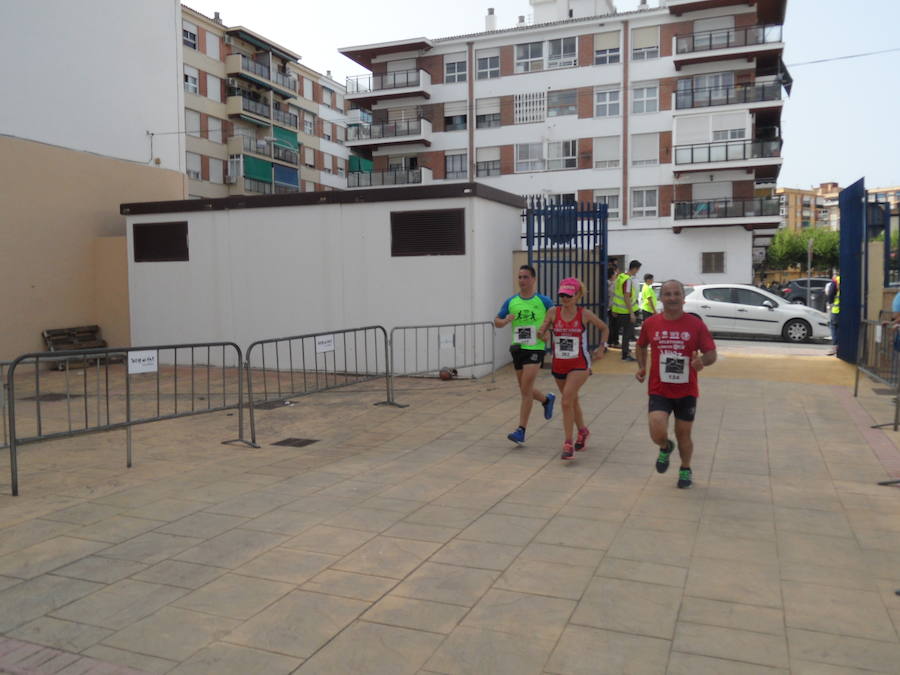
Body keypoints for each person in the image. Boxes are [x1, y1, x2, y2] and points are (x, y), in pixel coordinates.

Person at [635, 279, 717, 488]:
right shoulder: (651, 323)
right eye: (667, 294)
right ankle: (664, 447)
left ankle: (685, 468)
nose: (672, 298)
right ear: (661, 298)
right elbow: (641, 345)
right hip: (659, 388)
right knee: (657, 428)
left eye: (676, 294)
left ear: (683, 297)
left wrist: (702, 361)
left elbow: (711, 354)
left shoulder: (695, 324)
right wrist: (641, 367)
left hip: (686, 390)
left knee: (683, 434)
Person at [538, 278, 609, 460]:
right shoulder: (554, 312)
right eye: (562, 295)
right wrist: (543, 334)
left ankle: (568, 443)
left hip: (579, 364)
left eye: (569, 295)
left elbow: (604, 328)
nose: (565, 298)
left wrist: (601, 347)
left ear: (578, 295)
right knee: (572, 401)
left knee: (566, 401)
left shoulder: (584, 314)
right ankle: (583, 431)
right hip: (559, 363)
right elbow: (543, 331)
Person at [495, 265, 556, 444]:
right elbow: (496, 321)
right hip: (518, 349)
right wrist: (505, 320)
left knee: (526, 389)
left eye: (526, 277)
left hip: (535, 348)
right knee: (524, 389)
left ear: (533, 279)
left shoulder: (543, 301)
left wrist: (546, 331)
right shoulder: (512, 301)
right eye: (520, 277)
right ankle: (546, 399)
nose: (522, 281)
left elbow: (555, 318)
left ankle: (521, 430)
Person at [610, 260, 642, 362]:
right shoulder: (628, 280)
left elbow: (615, 292)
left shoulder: (620, 276)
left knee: (623, 333)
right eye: (638, 269)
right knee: (627, 334)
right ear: (635, 269)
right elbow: (626, 296)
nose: (637, 271)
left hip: (618, 310)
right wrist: (632, 313)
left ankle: (626, 351)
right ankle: (625, 355)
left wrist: (614, 309)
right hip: (626, 312)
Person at [825, 273, 840, 356]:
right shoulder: (850, 279)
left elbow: (830, 294)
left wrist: (830, 302)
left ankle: (835, 347)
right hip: (848, 310)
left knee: (834, 327)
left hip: (836, 310)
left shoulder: (836, 281)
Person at [606, 263, 619, 347]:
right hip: (611, 307)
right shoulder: (611, 284)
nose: (616, 275)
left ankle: (611, 341)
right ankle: (613, 341)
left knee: (612, 325)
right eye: (614, 273)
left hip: (610, 307)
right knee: (613, 326)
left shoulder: (610, 283)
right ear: (611, 275)